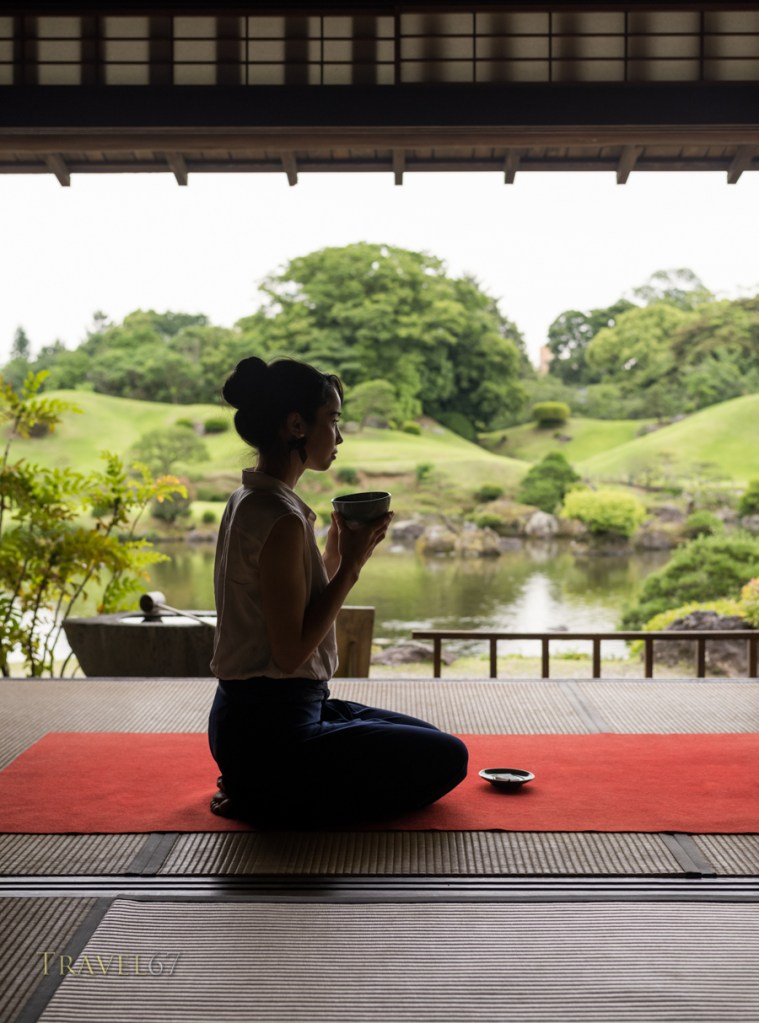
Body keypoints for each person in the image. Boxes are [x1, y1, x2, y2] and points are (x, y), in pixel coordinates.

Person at [208, 356, 468, 827]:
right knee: (448, 758)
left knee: (424, 735)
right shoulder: (281, 518)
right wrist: (349, 568)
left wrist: (333, 556)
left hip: (259, 718)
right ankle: (266, 795)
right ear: (296, 425)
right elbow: (290, 653)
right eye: (332, 420)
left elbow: (287, 607)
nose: (339, 436)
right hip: (272, 732)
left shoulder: (250, 500)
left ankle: (256, 782)